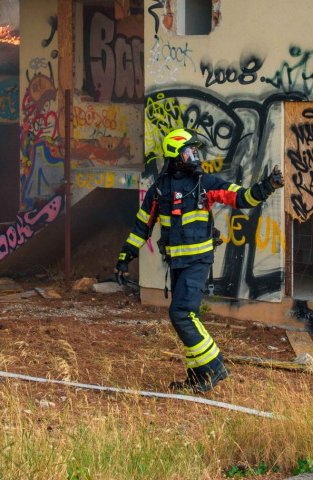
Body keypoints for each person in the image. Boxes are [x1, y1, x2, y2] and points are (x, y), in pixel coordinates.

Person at [115, 128, 283, 394]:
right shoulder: (159, 190)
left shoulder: (205, 183)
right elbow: (141, 227)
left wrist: (267, 187)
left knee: (180, 313)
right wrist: (126, 256)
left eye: (195, 150)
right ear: (176, 155)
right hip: (178, 265)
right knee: (188, 315)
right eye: (189, 151)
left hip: (198, 263)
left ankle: (214, 366)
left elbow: (241, 197)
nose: (194, 155)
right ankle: (197, 378)